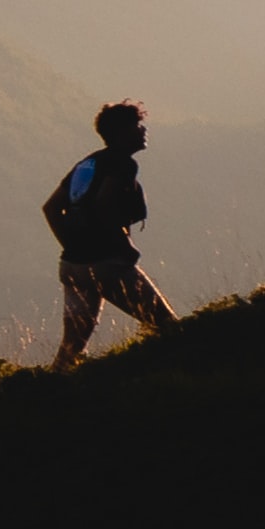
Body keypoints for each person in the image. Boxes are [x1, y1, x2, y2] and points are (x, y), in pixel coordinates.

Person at [41, 101, 170, 367]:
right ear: (122, 132)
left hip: (72, 265)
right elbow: (104, 204)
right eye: (136, 125)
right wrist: (123, 246)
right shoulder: (122, 164)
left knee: (70, 349)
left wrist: (75, 246)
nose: (143, 130)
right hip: (107, 264)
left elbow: (52, 208)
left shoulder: (87, 163)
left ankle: (45, 394)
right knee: (170, 329)